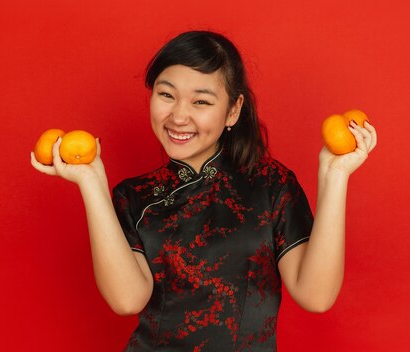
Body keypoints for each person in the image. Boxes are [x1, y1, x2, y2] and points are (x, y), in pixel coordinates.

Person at [30, 30, 377, 351]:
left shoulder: (270, 183)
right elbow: (127, 300)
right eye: (166, 95)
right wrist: (91, 183)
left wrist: (335, 176)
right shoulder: (133, 197)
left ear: (233, 110)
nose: (178, 116)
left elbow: (315, 295)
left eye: (200, 102)